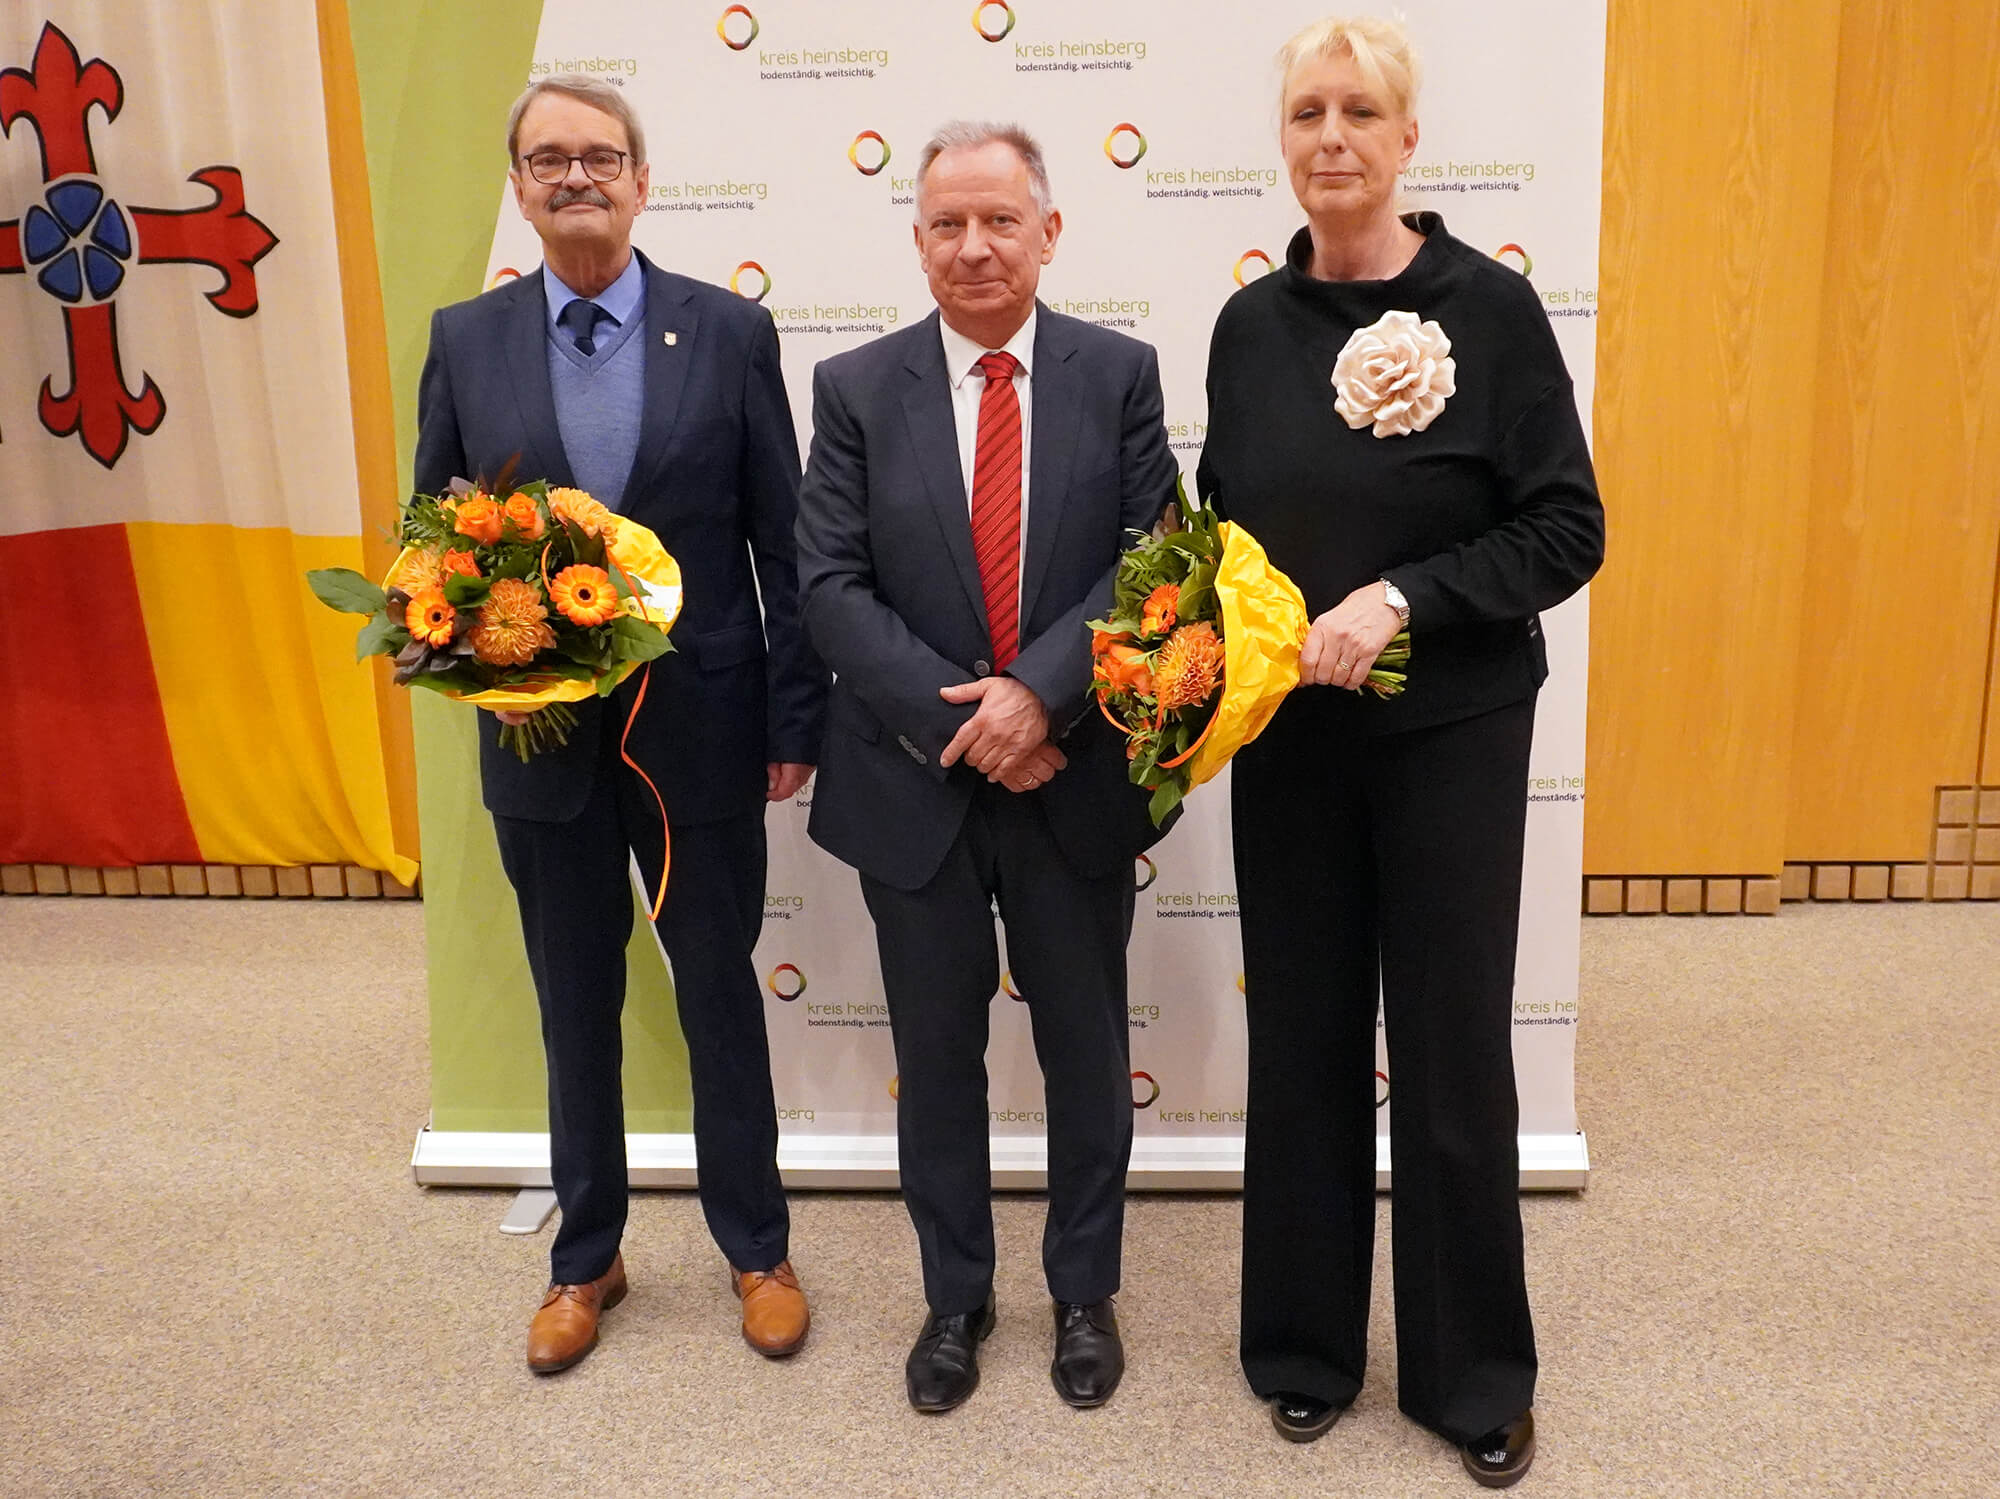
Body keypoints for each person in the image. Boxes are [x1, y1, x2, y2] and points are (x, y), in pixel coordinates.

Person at [1195, 17, 1604, 1488]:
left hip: (1453, 738)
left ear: (1408, 139)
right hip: (1292, 743)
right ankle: (1305, 1347)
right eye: (1308, 112)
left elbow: (1566, 527)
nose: (1332, 137)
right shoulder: (1250, 325)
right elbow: (1225, 524)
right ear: (1283, 140)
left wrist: (1403, 597)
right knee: (1304, 1037)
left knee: (1448, 1047)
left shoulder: (1490, 310)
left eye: (1360, 111)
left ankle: (1472, 1373)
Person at [412, 74, 827, 1375]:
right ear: (520, 187)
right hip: (541, 744)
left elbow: (781, 540)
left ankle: (758, 1248)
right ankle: (585, 1258)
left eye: (600, 156)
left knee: (718, 992)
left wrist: (795, 714)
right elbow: (436, 543)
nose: (575, 176)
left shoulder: (731, 331)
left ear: (643, 181)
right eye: (548, 159)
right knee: (573, 1002)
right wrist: (463, 650)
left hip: (702, 725)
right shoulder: (466, 339)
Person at [795, 121, 1177, 1414]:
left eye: (1000, 220)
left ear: (1048, 233)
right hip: (917, 788)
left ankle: (1085, 1293)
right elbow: (830, 585)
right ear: (917, 242)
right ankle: (955, 1298)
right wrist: (971, 724)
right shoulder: (854, 388)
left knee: (1085, 1052)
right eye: (948, 224)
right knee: (938, 1055)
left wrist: (1038, 698)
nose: (974, 246)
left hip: (1074, 775)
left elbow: (1151, 562)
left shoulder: (1119, 375)